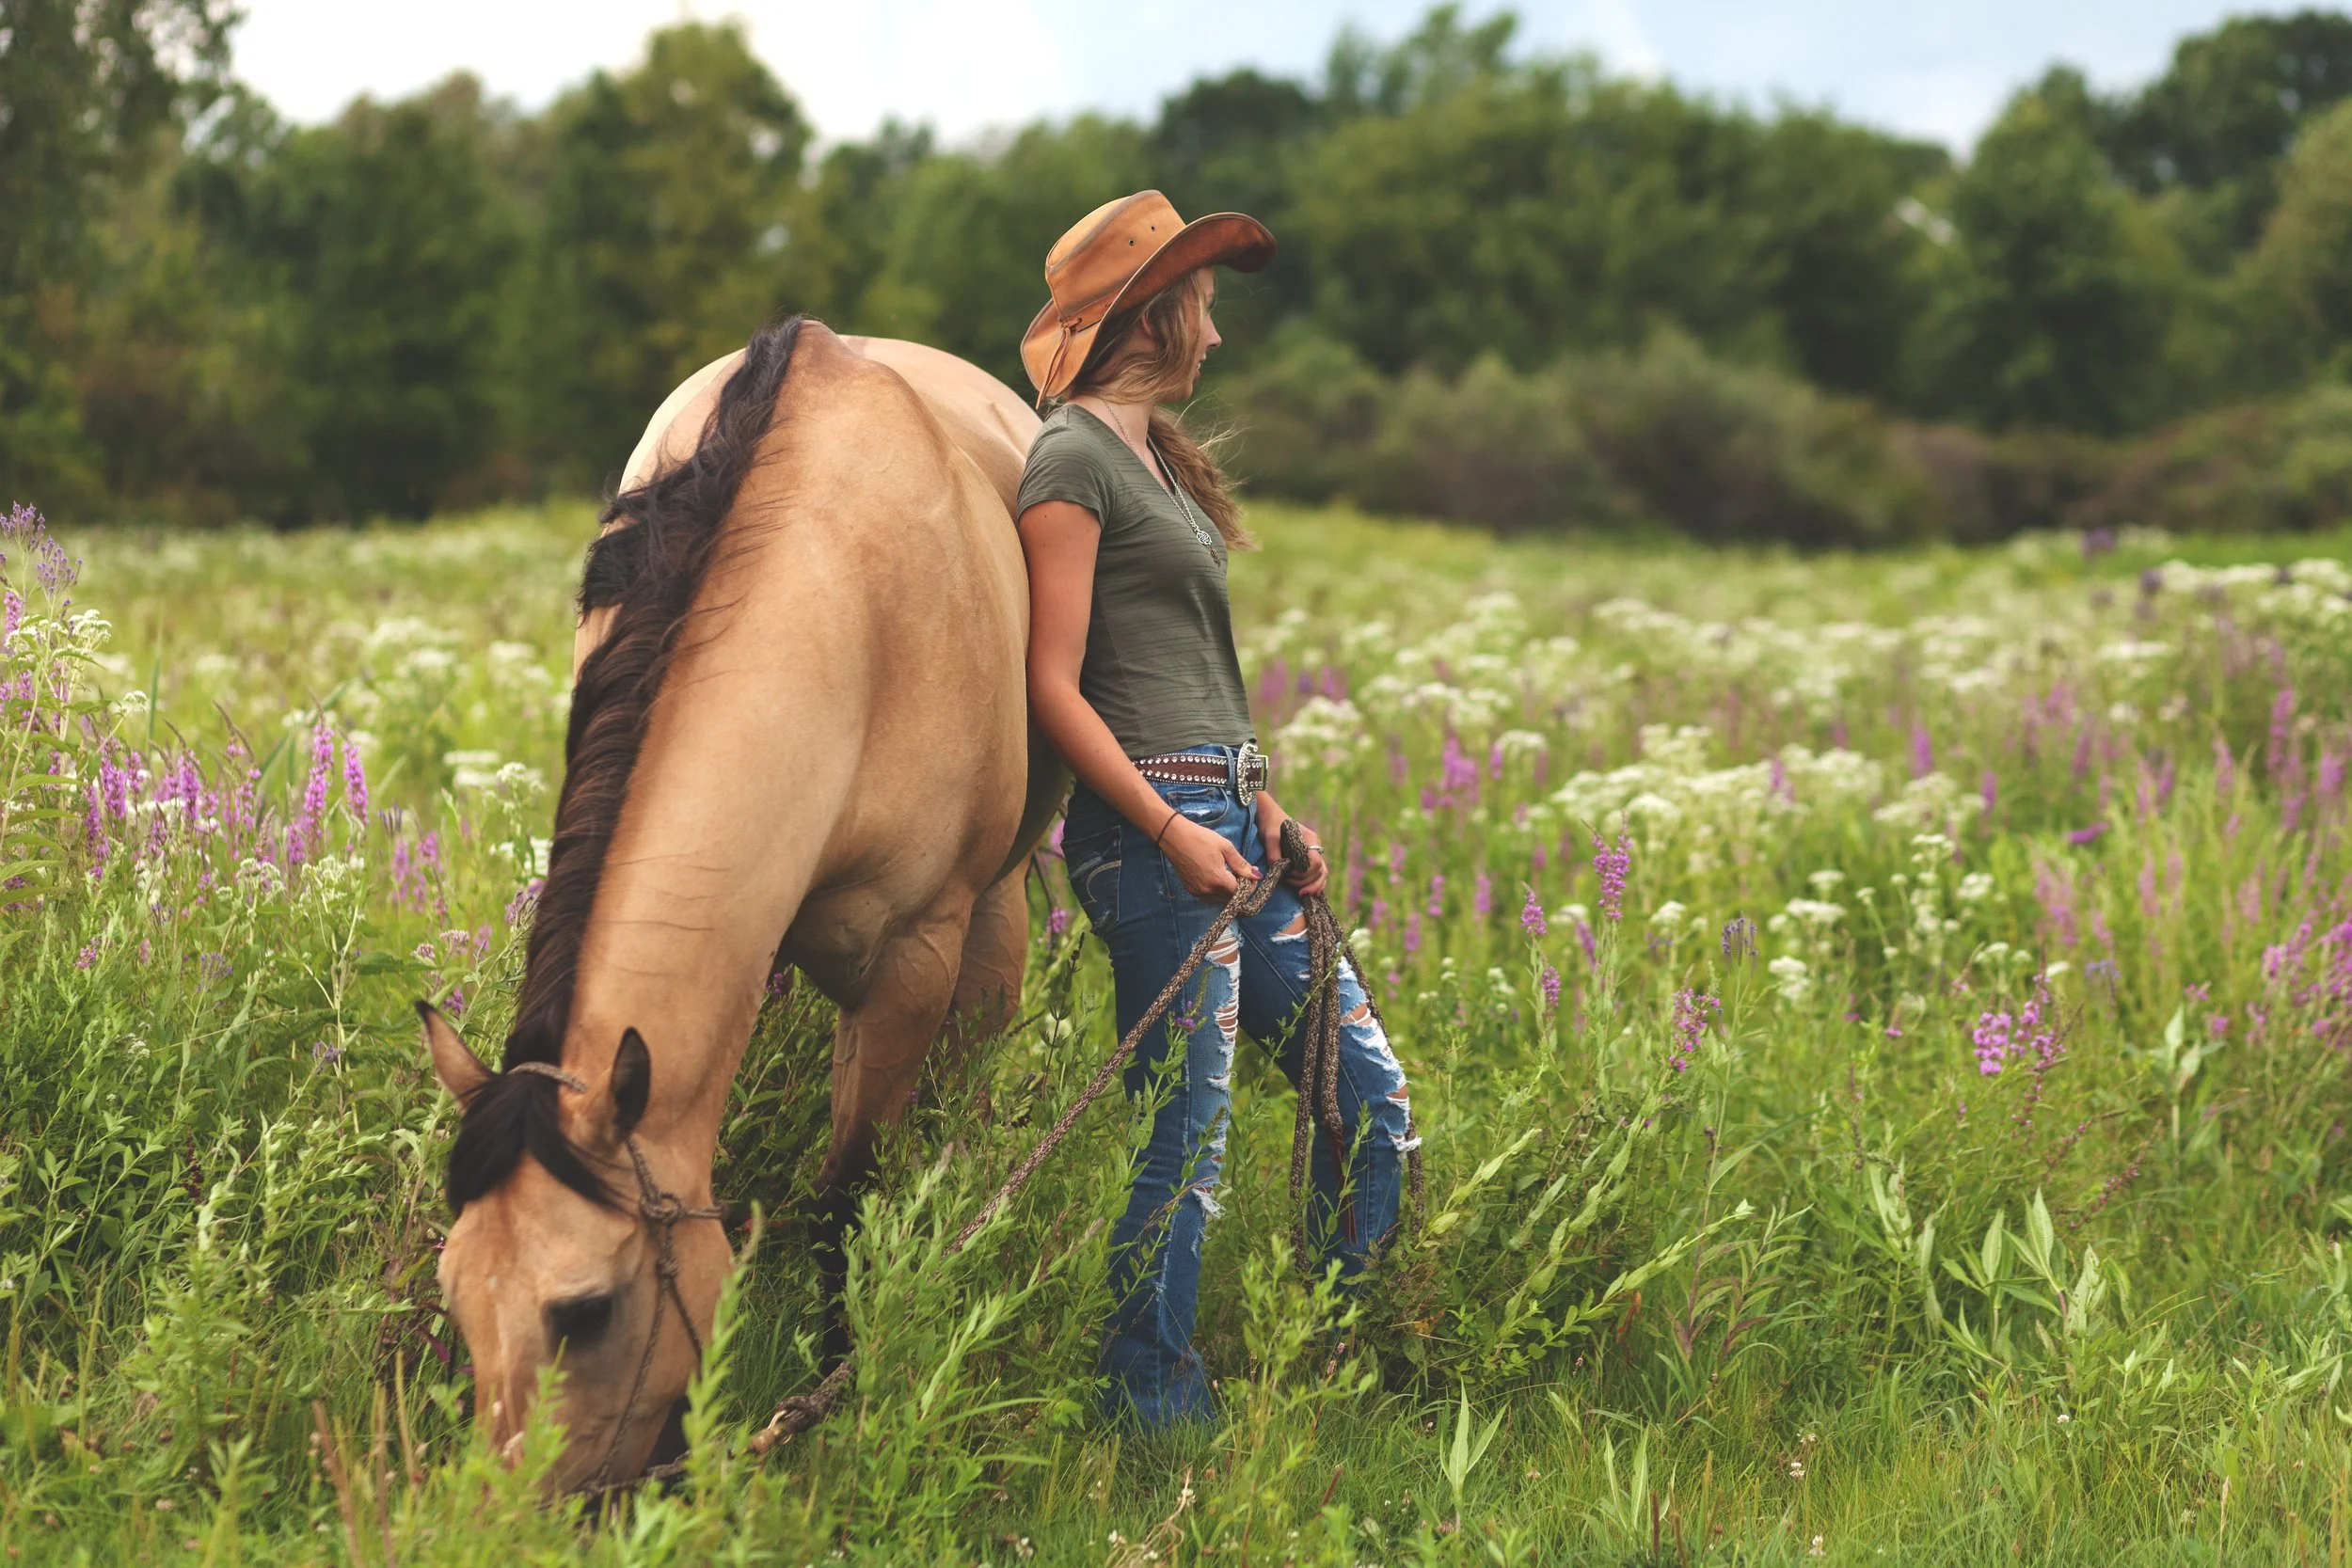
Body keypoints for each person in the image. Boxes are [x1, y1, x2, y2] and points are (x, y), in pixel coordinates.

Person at [1013, 191, 1418, 1425]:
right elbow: (1051, 682)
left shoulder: (1154, 463)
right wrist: (1168, 826)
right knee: (1186, 1142)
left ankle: (1321, 1364)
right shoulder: (1072, 461)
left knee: (1373, 1109)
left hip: (1232, 820)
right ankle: (1150, 1409)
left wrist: (1266, 805)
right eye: (1207, 306)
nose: (1219, 337)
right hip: (1154, 842)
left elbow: (1191, 670)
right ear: (1160, 311)